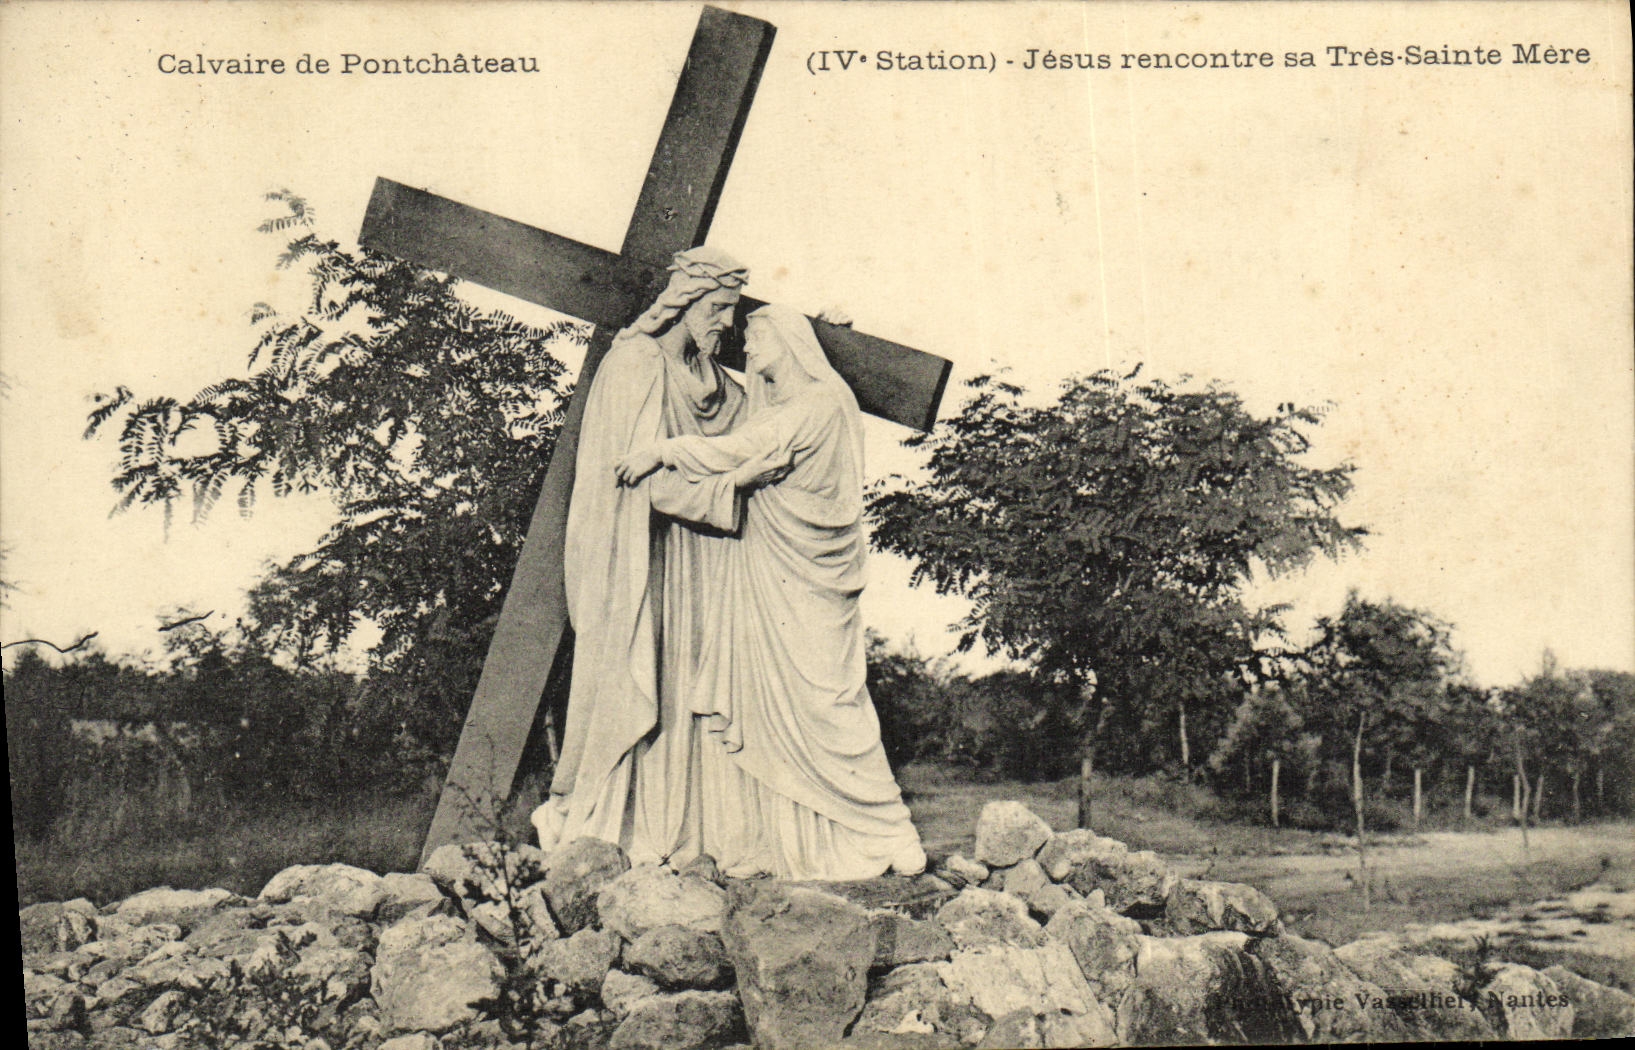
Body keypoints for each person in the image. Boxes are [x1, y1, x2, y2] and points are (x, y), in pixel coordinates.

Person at [616, 303, 927, 880]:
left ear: (789, 343)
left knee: (826, 701)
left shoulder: (818, 403)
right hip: (776, 573)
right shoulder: (795, 405)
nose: (748, 348)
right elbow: (745, 446)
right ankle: (799, 843)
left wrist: (662, 450)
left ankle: (887, 827)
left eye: (757, 339)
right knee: (791, 704)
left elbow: (739, 447)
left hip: (809, 574)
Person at [532, 246, 787, 865]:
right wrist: (733, 487)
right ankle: (629, 832)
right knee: (652, 682)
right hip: (645, 561)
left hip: (709, 564)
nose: (726, 323)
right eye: (717, 307)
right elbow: (639, 482)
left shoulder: (721, 384)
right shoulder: (635, 365)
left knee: (700, 689)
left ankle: (702, 836)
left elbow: (772, 427)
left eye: (732, 311)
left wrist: (811, 348)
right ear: (684, 301)